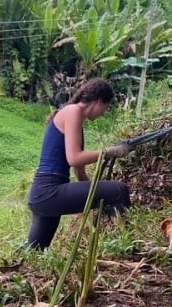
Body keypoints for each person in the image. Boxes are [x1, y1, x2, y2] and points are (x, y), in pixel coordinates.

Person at [27, 78, 131, 250]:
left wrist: (91, 200)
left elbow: (80, 173)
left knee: (34, 252)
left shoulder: (73, 118)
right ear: (99, 101)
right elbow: (74, 158)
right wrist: (109, 152)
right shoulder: (73, 111)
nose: (103, 113)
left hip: (42, 195)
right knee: (118, 191)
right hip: (49, 191)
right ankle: (123, 248)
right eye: (105, 108)